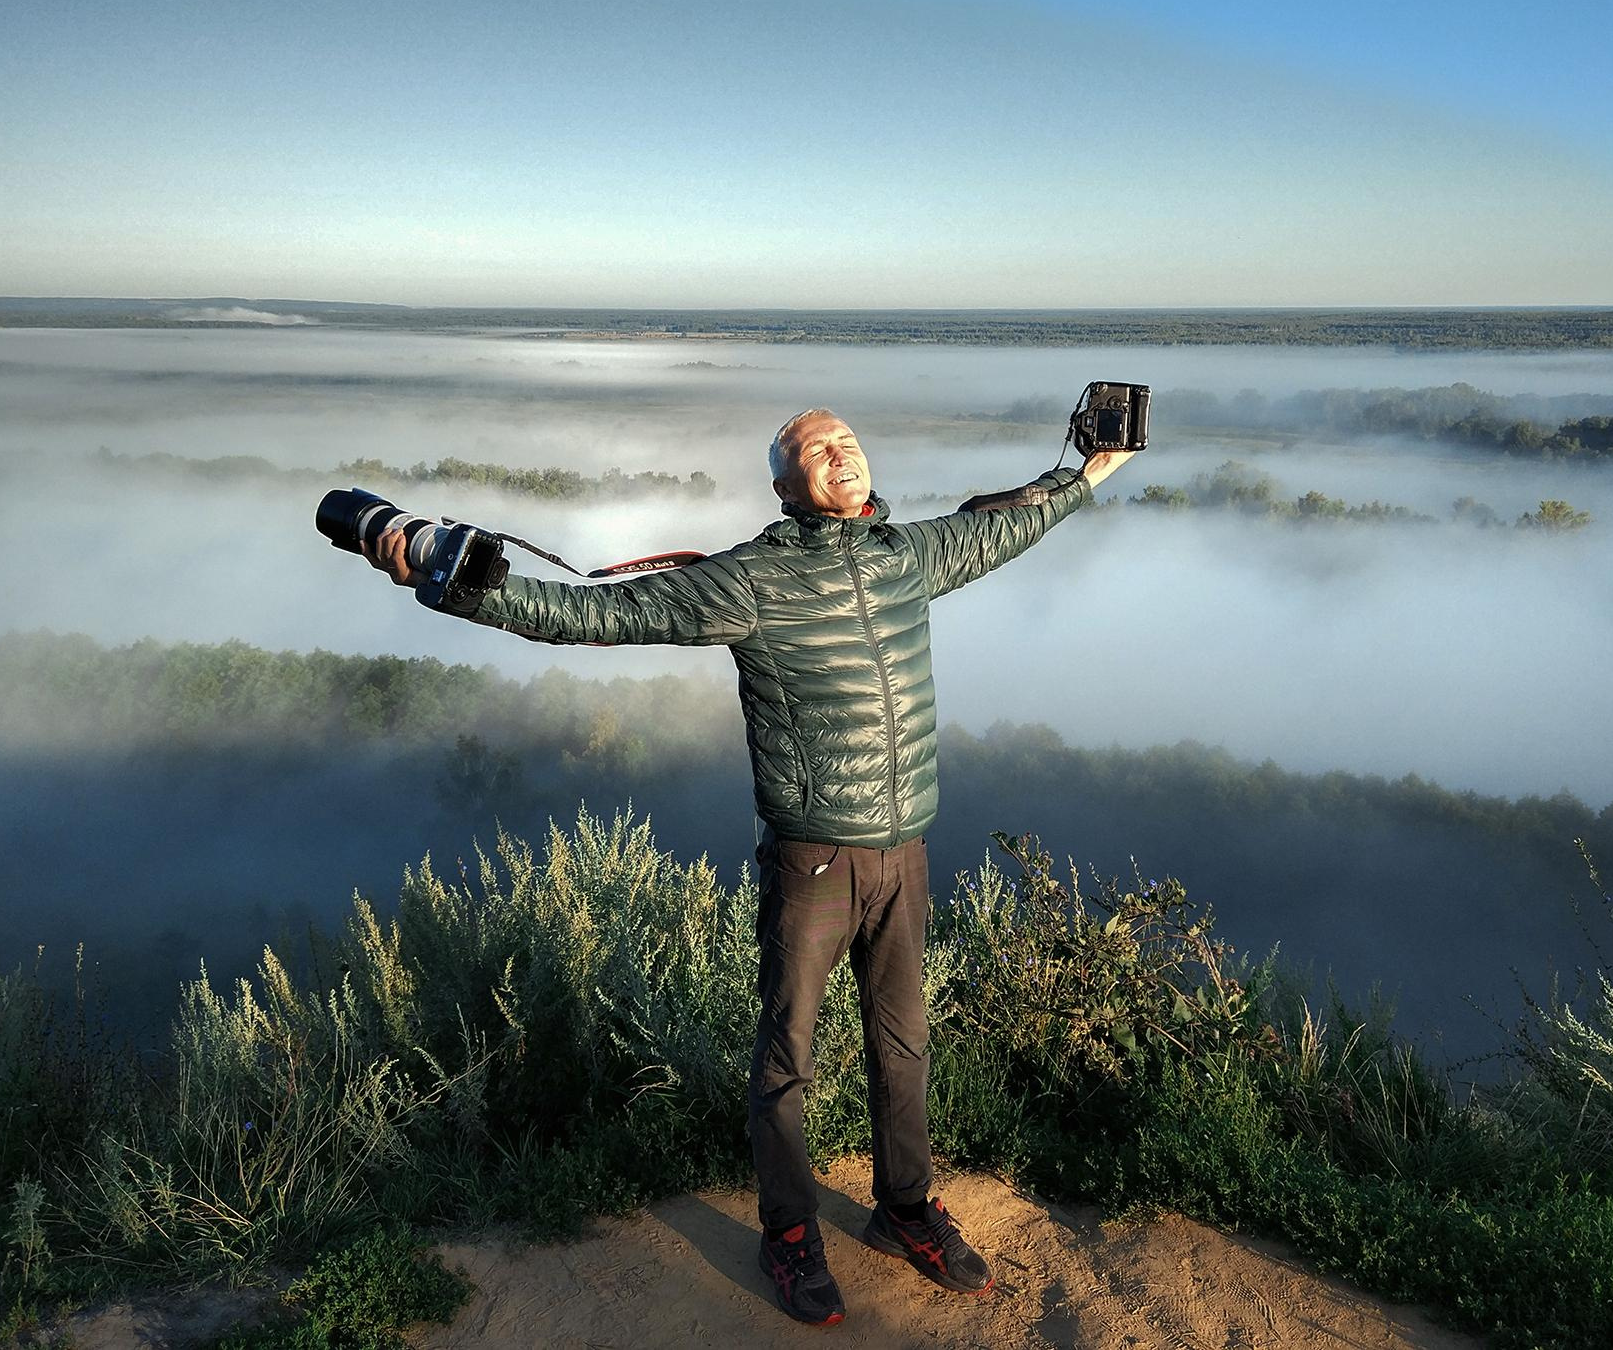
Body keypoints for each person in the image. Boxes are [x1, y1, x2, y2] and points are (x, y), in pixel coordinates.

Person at [366, 407, 1135, 1327]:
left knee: (904, 1045)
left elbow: (1000, 524)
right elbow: (593, 615)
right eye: (816, 449)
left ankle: (904, 1212)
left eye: (847, 440)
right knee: (788, 1058)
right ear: (784, 486)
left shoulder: (906, 556)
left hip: (907, 852)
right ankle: (790, 1233)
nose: (839, 453)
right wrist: (463, 585)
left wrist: (1090, 473)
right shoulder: (752, 580)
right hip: (814, 859)